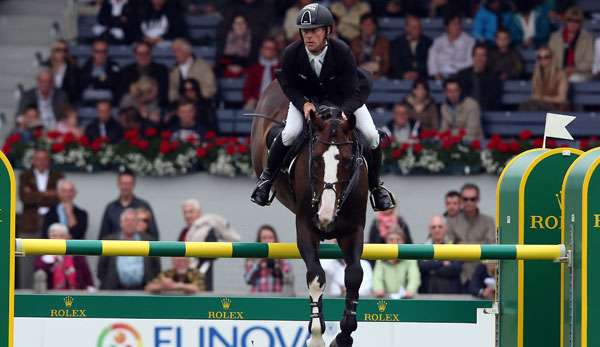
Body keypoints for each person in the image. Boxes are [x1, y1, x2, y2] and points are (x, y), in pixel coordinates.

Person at [251, 4, 395, 211]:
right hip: (308, 102)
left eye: (314, 30)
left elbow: (355, 88)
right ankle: (265, 181)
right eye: (305, 31)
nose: (309, 36)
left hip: (344, 100)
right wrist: (303, 104)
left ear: (327, 31)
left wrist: (346, 110)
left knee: (372, 136)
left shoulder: (342, 51)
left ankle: (376, 188)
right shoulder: (292, 53)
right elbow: (288, 85)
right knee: (289, 134)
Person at [178, 199, 241, 291]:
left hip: (201, 278)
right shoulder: (184, 232)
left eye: (191, 212)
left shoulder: (207, 231)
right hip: (182, 279)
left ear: (199, 212)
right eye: (185, 212)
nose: (187, 216)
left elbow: (213, 255)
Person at [97, 209, 161, 290]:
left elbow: (156, 268)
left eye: (133, 220)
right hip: (115, 292)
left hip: (143, 292)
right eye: (127, 220)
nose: (130, 223)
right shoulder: (108, 241)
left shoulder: (149, 241)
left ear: (137, 223)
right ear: (121, 223)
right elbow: (101, 270)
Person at [447, 183, 496, 284]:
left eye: (472, 199)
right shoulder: (451, 221)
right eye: (465, 199)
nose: (469, 202)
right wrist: (480, 245)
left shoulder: (488, 221)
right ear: (461, 200)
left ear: (478, 199)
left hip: (483, 276)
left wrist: (461, 245)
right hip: (459, 277)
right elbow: (449, 250)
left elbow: (491, 249)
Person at [98, 169, 159, 240]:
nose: (125, 187)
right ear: (118, 184)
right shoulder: (110, 208)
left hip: (139, 248)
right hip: (115, 249)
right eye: (123, 183)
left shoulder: (144, 206)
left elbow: (154, 235)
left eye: (128, 184)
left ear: (134, 185)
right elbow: (103, 236)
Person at [34, 223, 94, 290]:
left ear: (67, 237)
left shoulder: (76, 254)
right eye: (54, 236)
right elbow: (39, 272)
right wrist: (51, 259)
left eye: (61, 236)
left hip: (76, 294)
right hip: (51, 295)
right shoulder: (43, 254)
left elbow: (87, 275)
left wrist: (90, 287)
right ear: (49, 237)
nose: (58, 239)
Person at [18, 149, 64, 236]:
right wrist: (46, 193)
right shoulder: (25, 176)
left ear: (49, 161)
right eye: (38, 159)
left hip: (52, 221)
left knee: (50, 249)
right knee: (26, 248)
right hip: (29, 223)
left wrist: (34, 194)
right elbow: (25, 198)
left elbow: (59, 198)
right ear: (33, 161)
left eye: (44, 159)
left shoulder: (57, 176)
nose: (41, 162)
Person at [548, 6, 594, 83]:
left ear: (580, 23)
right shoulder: (555, 37)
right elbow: (550, 58)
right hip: (559, 71)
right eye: (570, 20)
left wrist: (574, 69)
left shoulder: (587, 38)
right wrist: (562, 70)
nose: (573, 23)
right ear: (565, 21)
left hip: (580, 73)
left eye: (576, 21)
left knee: (572, 79)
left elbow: (589, 61)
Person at [418, 216, 463, 294]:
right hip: (427, 294)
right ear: (429, 229)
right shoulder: (423, 248)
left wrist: (432, 270)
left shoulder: (454, 247)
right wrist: (442, 263)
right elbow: (421, 267)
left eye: (440, 227)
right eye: (434, 227)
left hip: (450, 295)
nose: (437, 230)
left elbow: (456, 268)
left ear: (445, 229)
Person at [372, 227, 420, 298]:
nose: (394, 243)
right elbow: (377, 278)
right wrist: (378, 289)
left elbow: (414, 277)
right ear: (386, 242)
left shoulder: (410, 258)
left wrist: (410, 290)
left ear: (403, 242)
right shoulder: (380, 259)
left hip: (407, 299)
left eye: (398, 240)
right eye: (391, 240)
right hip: (385, 300)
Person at [244, 225, 292, 293]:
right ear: (259, 240)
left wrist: (277, 266)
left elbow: (289, 280)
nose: (267, 241)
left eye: (270, 237)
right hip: (257, 300)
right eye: (264, 238)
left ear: (275, 239)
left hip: (278, 300)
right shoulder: (252, 259)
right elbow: (247, 280)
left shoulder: (282, 259)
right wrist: (259, 263)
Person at [118, 42, 169, 106]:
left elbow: (163, 92)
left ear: (151, 54)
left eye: (146, 53)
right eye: (140, 54)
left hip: (155, 104)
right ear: (135, 55)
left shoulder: (161, 70)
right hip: (133, 104)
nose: (143, 56)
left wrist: (150, 97)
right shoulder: (127, 71)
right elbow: (124, 91)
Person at [519, 47, 569, 111]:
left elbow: (562, 99)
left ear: (552, 58)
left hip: (557, 107)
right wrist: (539, 98)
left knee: (533, 107)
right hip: (541, 105)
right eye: (540, 57)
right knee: (524, 106)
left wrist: (542, 98)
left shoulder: (561, 74)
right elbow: (536, 95)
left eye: (546, 57)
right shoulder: (537, 74)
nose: (543, 60)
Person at [168, 38, 216, 104]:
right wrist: (177, 99)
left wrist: (195, 98)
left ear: (188, 50)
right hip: (180, 106)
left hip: (200, 104)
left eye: (177, 50)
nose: (175, 54)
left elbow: (210, 89)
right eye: (173, 51)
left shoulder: (203, 66)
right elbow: (172, 91)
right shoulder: (173, 69)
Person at [428, 14, 475, 80]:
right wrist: (436, 74)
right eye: (454, 24)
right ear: (446, 27)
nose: (457, 26)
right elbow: (432, 61)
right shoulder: (438, 42)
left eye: (459, 23)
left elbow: (471, 63)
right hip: (440, 77)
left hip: (461, 76)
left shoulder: (470, 41)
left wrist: (454, 67)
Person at [456, 43, 502, 110]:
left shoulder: (494, 76)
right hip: (466, 111)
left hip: (486, 110)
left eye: (483, 55)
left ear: (487, 57)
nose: (479, 58)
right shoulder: (462, 75)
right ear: (472, 56)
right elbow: (460, 96)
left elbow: (493, 98)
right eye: (477, 55)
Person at [389, 15, 432, 80]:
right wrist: (403, 74)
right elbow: (395, 63)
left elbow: (429, 63)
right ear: (407, 28)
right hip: (401, 78)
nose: (417, 30)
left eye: (419, 27)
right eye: (414, 27)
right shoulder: (396, 43)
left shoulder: (428, 43)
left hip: (422, 78)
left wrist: (418, 74)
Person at [242, 38, 280, 111]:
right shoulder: (254, 69)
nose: (270, 51)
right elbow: (246, 89)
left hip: (276, 103)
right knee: (248, 109)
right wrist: (250, 99)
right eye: (267, 48)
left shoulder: (281, 68)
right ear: (262, 50)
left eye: (272, 48)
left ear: (276, 51)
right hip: (257, 102)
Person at [79, 39, 121, 105]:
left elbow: (113, 83)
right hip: (88, 102)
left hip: (109, 102)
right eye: (97, 51)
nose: (100, 54)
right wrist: (102, 79)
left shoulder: (113, 66)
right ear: (92, 52)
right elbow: (83, 83)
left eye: (104, 51)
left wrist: (93, 81)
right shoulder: (85, 67)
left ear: (107, 53)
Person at [350, 13, 390, 79]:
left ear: (375, 26)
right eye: (365, 24)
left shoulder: (383, 42)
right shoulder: (354, 42)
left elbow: (386, 62)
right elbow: (351, 63)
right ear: (360, 26)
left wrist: (379, 74)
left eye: (370, 24)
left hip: (378, 75)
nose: (367, 27)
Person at [44, 40, 80, 104]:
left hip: (65, 103)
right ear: (52, 51)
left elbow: (73, 90)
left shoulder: (73, 69)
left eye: (65, 50)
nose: (62, 53)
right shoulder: (45, 67)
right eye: (58, 50)